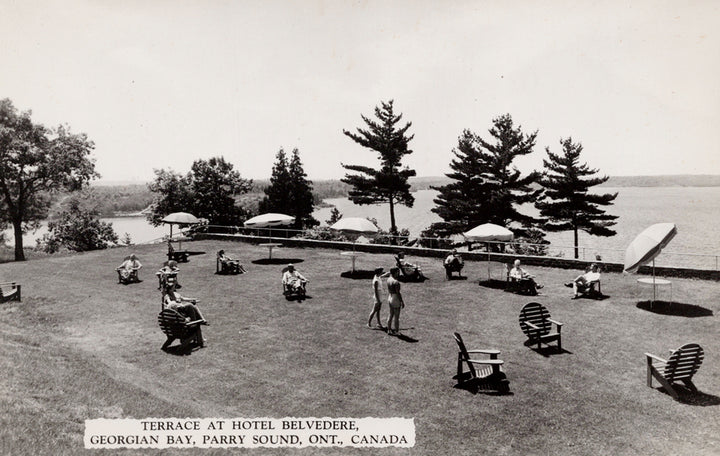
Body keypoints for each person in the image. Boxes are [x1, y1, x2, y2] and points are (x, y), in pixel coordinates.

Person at [386, 267, 405, 336]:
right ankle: (396, 331)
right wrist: (402, 301)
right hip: (395, 298)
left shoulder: (388, 279)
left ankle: (389, 329)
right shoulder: (396, 282)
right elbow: (398, 293)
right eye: (398, 272)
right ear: (395, 272)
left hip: (390, 296)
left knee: (390, 314)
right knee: (396, 317)